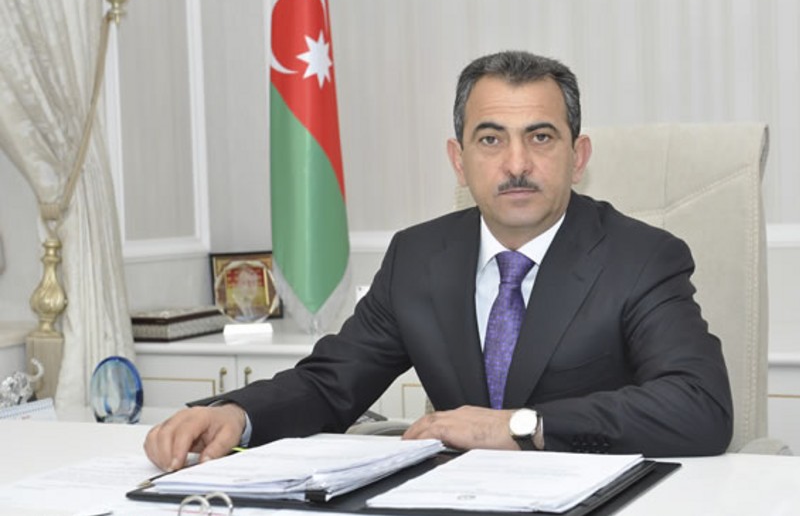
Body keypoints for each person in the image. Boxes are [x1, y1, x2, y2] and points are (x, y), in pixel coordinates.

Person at [144, 50, 733, 471]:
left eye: (541, 137)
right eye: (491, 139)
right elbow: (331, 385)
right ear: (459, 159)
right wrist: (237, 414)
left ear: (578, 157)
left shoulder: (641, 257)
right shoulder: (418, 256)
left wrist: (519, 425)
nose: (517, 164)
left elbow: (699, 406)